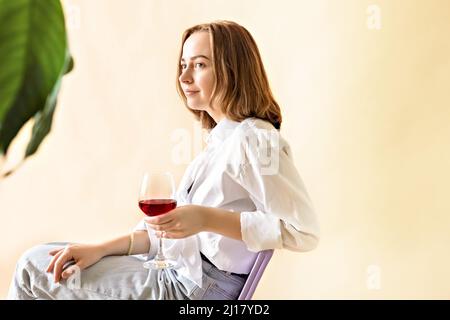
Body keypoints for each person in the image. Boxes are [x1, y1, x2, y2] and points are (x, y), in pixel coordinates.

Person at [7, 20, 320, 300]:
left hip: (193, 289)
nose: (183, 76)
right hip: (178, 275)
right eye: (183, 64)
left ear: (232, 69)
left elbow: (302, 232)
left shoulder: (255, 139)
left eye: (199, 65)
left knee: (31, 268)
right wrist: (99, 249)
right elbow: (164, 237)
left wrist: (205, 218)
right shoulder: (221, 142)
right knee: (48, 259)